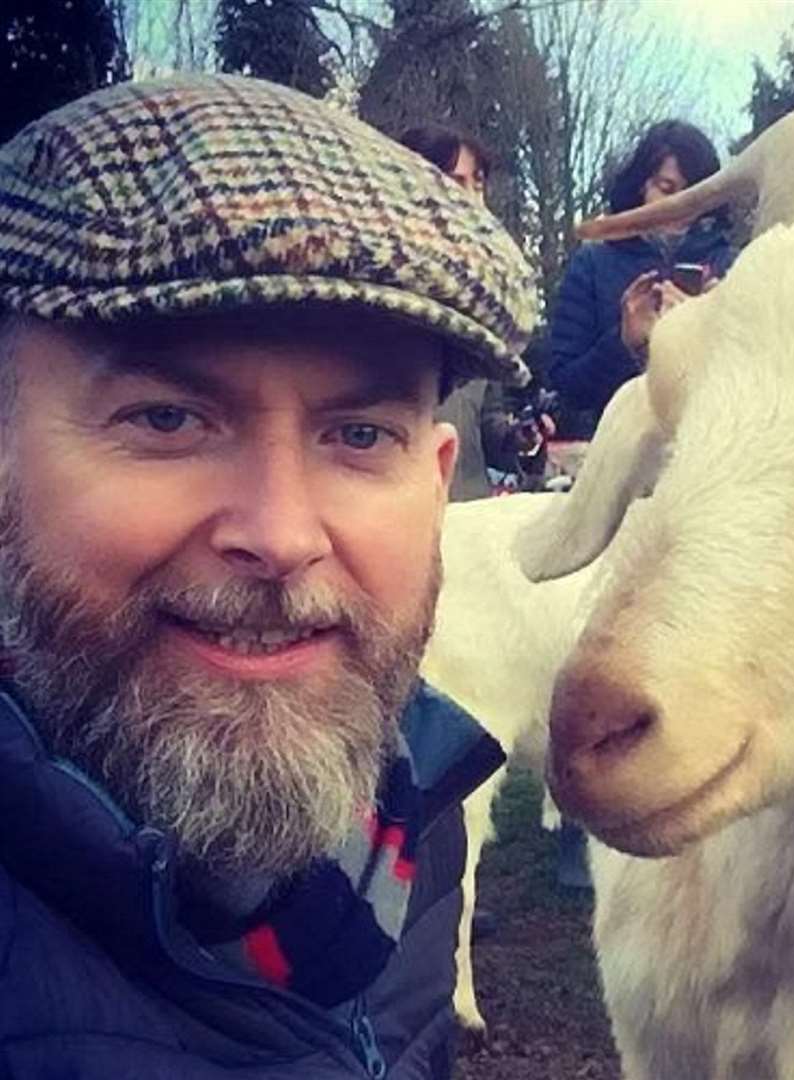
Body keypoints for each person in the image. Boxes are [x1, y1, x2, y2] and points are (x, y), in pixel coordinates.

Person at [0, 74, 538, 1078]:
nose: (283, 534)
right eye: (167, 419)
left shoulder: (406, 834)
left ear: (436, 489)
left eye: (360, 433)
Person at [397, 123, 555, 495]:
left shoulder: (485, 305)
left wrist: (521, 441)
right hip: (392, 523)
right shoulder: (377, 296)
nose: (471, 199)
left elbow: (487, 423)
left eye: (478, 183)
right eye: (453, 182)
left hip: (469, 522)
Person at [549, 119, 736, 426]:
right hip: (620, 456)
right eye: (667, 189)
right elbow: (566, 387)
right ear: (641, 185)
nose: (680, 204)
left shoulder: (733, 267)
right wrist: (624, 342)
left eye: (695, 193)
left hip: (710, 452)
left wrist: (719, 326)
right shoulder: (593, 264)